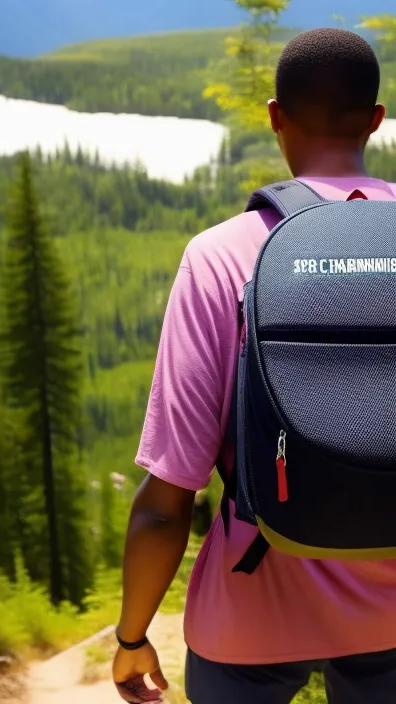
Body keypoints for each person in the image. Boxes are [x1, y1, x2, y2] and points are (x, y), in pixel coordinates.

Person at [112, 28, 396, 704]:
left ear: (275, 115)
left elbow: (167, 500)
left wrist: (131, 637)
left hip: (252, 602)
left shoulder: (220, 256)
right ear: (376, 121)